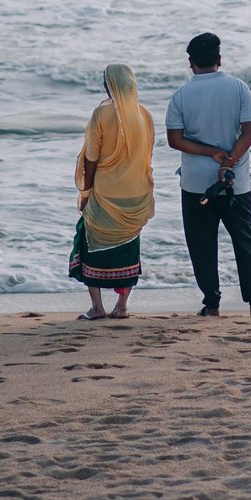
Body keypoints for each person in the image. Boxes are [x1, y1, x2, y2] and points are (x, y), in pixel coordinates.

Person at [166, 32, 251, 318]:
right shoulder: (238, 88)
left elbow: (175, 140)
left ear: (190, 63)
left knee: (201, 244)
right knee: (244, 240)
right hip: (235, 182)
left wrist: (209, 152)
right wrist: (228, 162)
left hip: (195, 184)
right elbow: (249, 132)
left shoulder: (181, 95)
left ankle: (212, 305)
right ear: (219, 59)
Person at [69, 63, 155, 320]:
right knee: (129, 246)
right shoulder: (144, 114)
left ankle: (97, 307)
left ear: (108, 85)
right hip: (137, 193)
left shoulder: (101, 113)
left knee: (86, 240)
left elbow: (91, 159)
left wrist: (86, 191)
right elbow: (147, 156)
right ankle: (122, 306)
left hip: (106, 193)